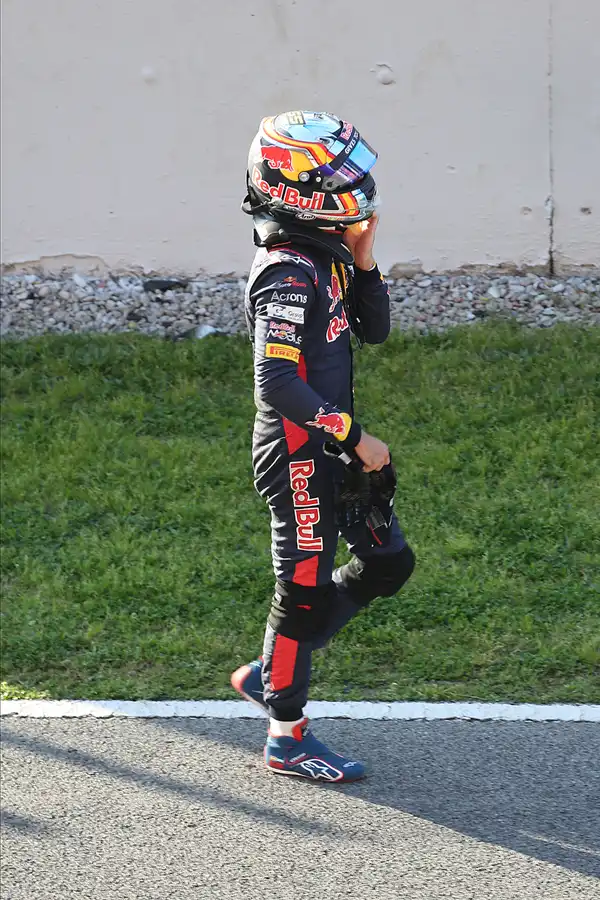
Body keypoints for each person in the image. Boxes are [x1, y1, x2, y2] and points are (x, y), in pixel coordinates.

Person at [231, 111, 415, 783]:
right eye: (344, 177)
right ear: (300, 193)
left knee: (388, 565)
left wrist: (365, 262)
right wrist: (355, 438)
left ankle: (272, 668)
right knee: (302, 590)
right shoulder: (285, 272)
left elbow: (375, 332)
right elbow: (275, 382)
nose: (360, 185)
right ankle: (287, 737)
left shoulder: (326, 256)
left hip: (330, 450)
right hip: (298, 458)